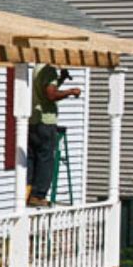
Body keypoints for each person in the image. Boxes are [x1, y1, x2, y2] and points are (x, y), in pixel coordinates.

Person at [27, 64, 81, 207]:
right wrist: (70, 91)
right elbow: (51, 94)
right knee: (46, 159)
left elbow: (45, 91)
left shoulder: (38, 68)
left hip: (33, 121)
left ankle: (27, 192)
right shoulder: (49, 70)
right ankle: (38, 196)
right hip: (46, 121)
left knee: (32, 159)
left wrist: (61, 79)